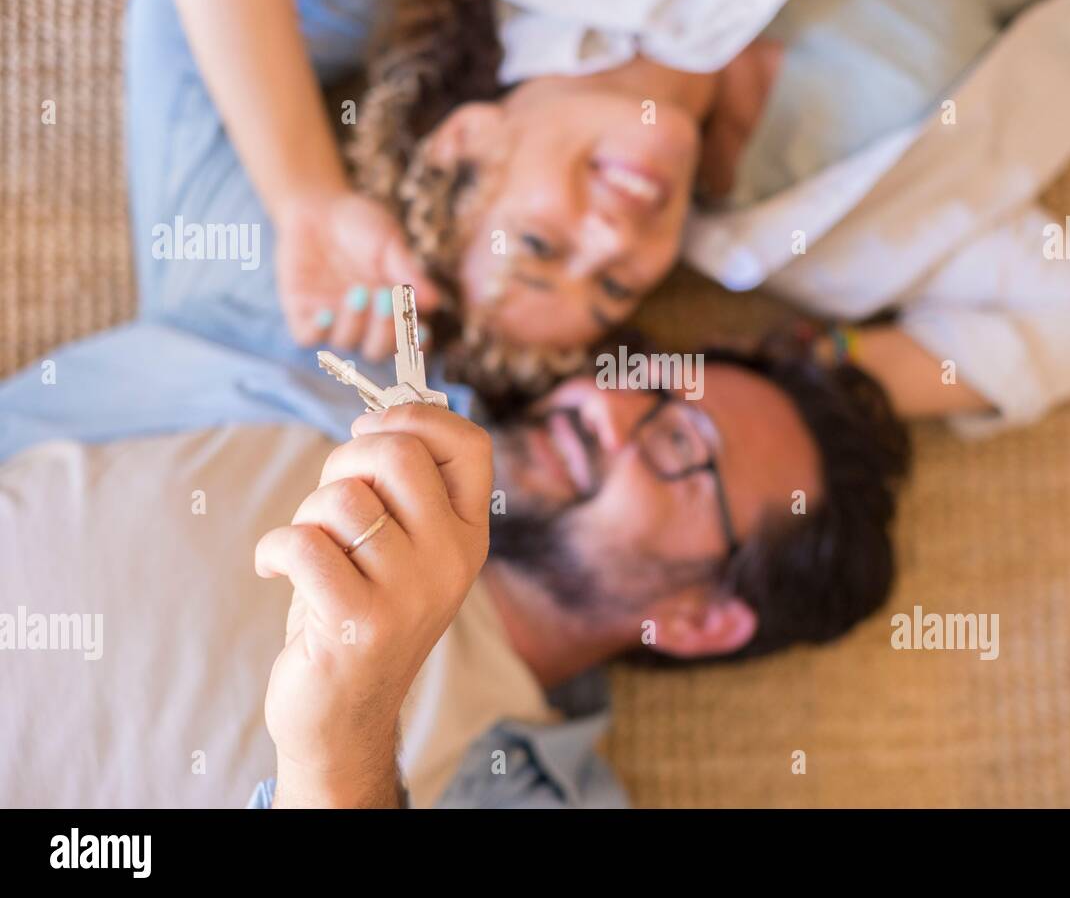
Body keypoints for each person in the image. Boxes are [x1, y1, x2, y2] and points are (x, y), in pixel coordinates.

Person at [151, 0, 1070, 430]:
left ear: (469, 142)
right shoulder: (806, 224)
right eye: (616, 288)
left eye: (541, 246)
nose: (613, 243)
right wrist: (793, 364)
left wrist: (306, 198)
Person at [0, 340, 909, 806]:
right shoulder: (343, 359)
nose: (601, 399)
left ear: (701, 618)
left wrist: (340, 745)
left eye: (679, 442)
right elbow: (178, 14)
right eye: (648, 377)